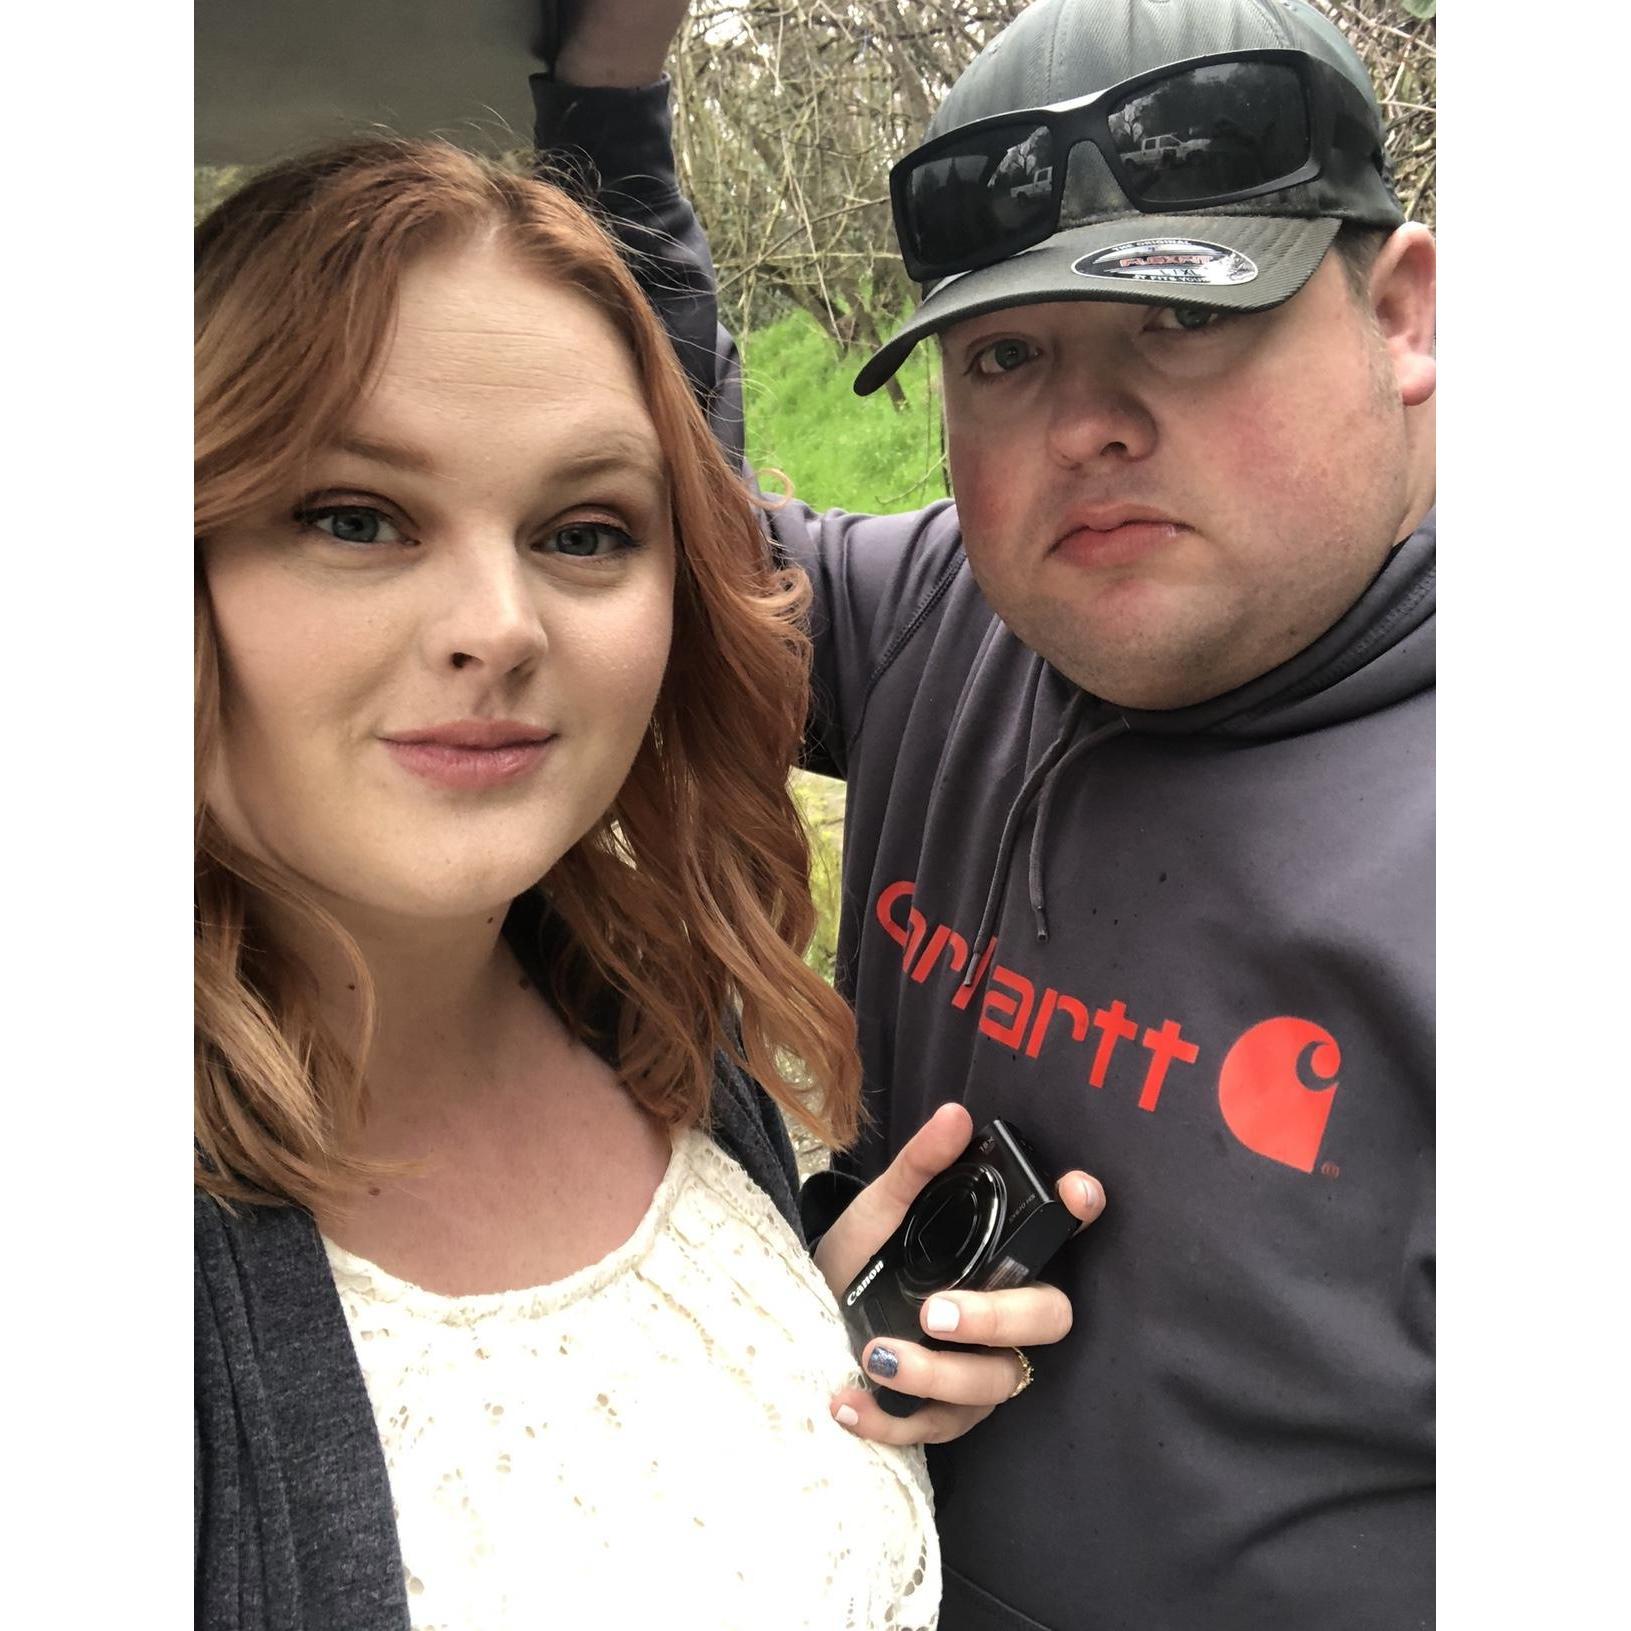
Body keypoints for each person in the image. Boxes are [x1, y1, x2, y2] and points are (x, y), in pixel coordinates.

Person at [533, 0, 1435, 1625]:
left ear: (1402, 315)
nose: (1088, 425)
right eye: (1007, 357)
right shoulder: (953, 614)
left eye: (1185, 318)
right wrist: (607, 104)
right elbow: (643, 520)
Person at [192, 138, 1103, 1631]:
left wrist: (790, 1365)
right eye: (354, 516)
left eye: (584, 533)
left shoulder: (658, 1023)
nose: (500, 625)